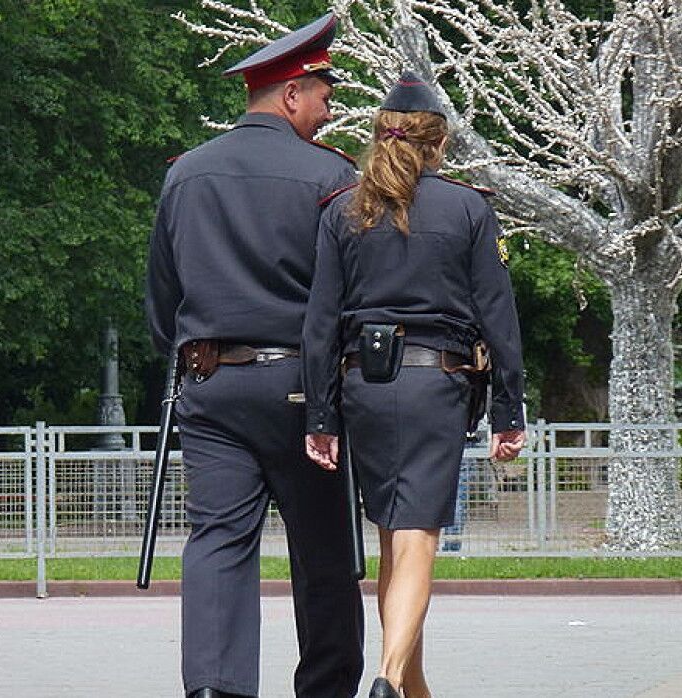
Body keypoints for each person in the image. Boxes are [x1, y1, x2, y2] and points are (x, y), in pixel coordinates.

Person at [145, 12, 364, 698]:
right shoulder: (332, 177)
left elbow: (162, 292)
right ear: (292, 93)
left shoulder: (187, 175)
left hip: (210, 382)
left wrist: (189, 355)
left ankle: (214, 687)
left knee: (216, 539)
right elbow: (351, 293)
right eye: (325, 98)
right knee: (323, 547)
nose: (329, 114)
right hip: (306, 388)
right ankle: (325, 687)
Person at [301, 73, 526, 698]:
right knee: (419, 534)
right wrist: (509, 408)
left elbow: (320, 323)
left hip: (362, 389)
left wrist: (320, 416)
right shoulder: (469, 208)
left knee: (391, 538)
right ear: (440, 145)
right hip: (437, 387)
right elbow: (498, 317)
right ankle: (387, 676)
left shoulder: (345, 210)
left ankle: (413, 684)